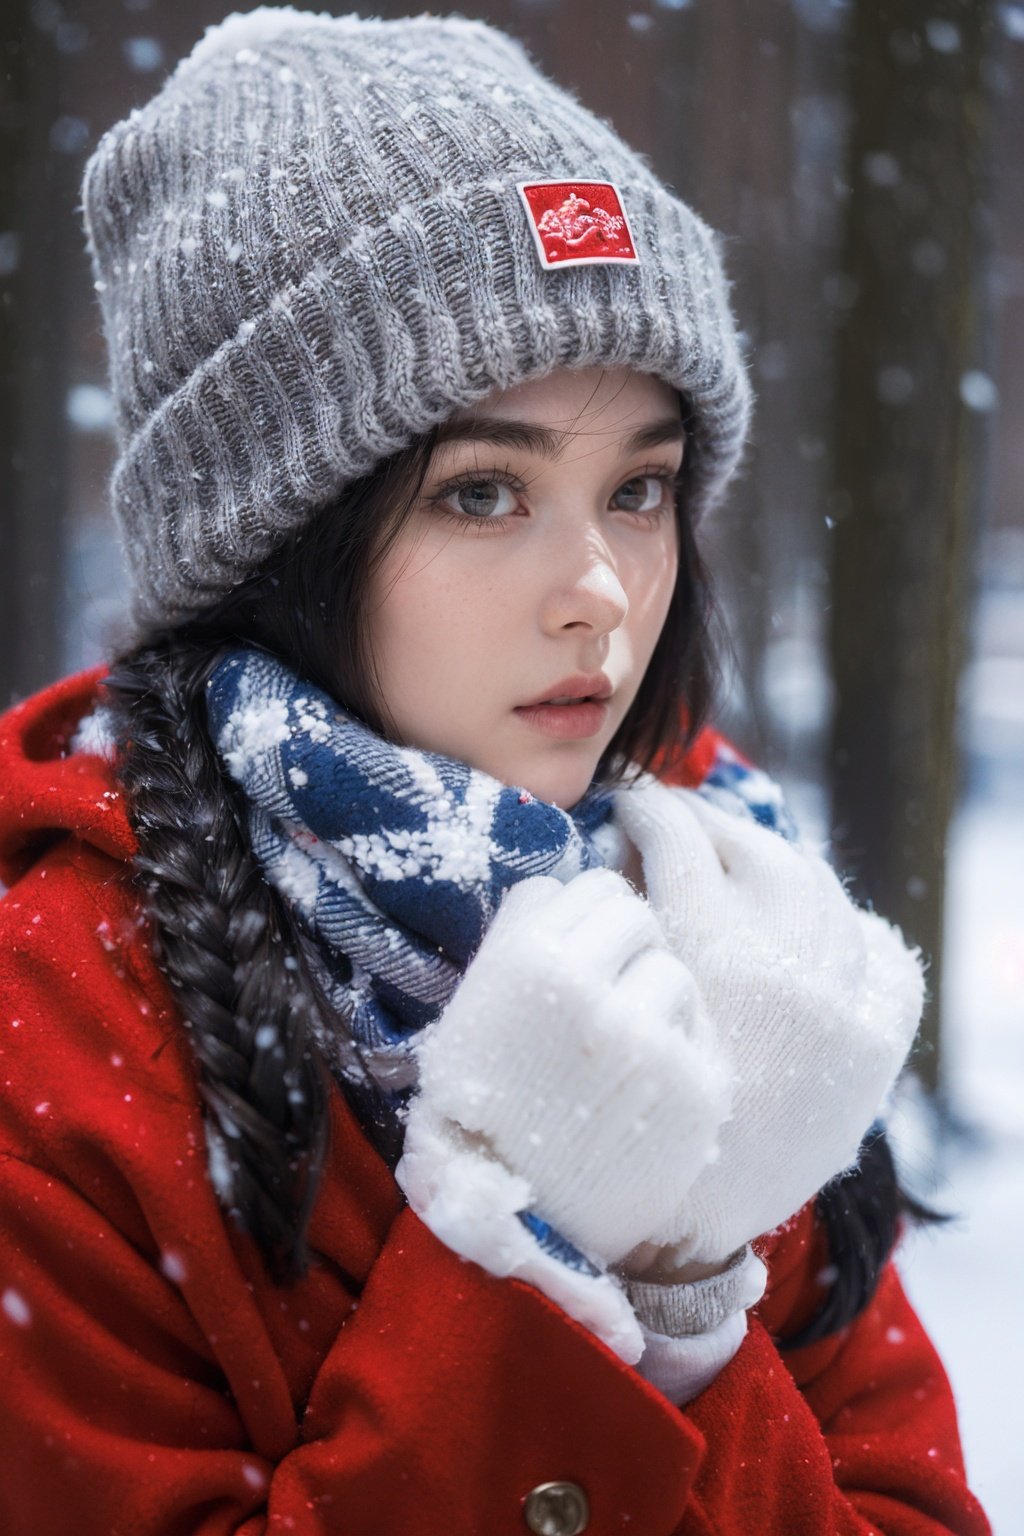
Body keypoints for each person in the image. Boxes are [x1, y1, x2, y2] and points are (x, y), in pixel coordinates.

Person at [0, 9, 990, 1534]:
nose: (599, 584)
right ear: (279, 543)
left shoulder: (726, 913)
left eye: (640, 486)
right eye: (483, 491)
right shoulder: (56, 1034)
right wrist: (525, 1257)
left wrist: (688, 1283)